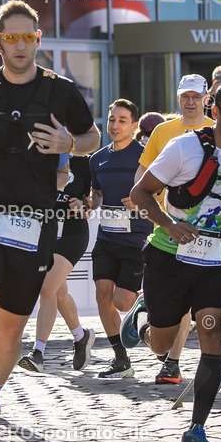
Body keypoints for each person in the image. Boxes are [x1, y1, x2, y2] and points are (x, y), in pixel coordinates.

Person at [0, 0, 99, 442]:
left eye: (26, 37)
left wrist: (70, 144)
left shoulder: (61, 90)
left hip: (35, 220)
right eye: (9, 37)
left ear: (38, 40)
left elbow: (93, 138)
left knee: (12, 329)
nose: (19, 46)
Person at [128, 82, 221, 442]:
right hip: (168, 255)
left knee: (212, 336)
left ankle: (196, 430)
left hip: (215, 258)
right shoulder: (184, 147)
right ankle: (145, 319)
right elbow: (140, 193)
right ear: (214, 110)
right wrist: (169, 225)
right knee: (161, 344)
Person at [135, 75, 214, 383]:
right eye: (185, 96)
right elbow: (143, 173)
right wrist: (147, 202)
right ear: (178, 98)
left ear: (206, 97)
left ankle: (173, 362)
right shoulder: (163, 131)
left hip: (208, 230)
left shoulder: (217, 130)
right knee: (172, 303)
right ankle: (149, 329)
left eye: (196, 96)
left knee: (191, 299)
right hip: (168, 226)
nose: (190, 101)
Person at [89, 99, 154, 379]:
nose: (115, 125)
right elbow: (97, 196)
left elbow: (158, 193)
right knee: (102, 295)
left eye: (122, 120)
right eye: (112, 119)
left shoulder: (145, 156)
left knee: (123, 302)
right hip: (106, 238)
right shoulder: (97, 158)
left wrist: (140, 203)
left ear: (134, 125)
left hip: (137, 240)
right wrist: (85, 204)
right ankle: (120, 358)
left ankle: (143, 306)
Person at [18, 153, 96, 373]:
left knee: (47, 287)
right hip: (46, 232)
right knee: (58, 293)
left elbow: (95, 198)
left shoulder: (84, 162)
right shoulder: (40, 159)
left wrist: (85, 204)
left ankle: (38, 353)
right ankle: (81, 336)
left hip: (73, 232)